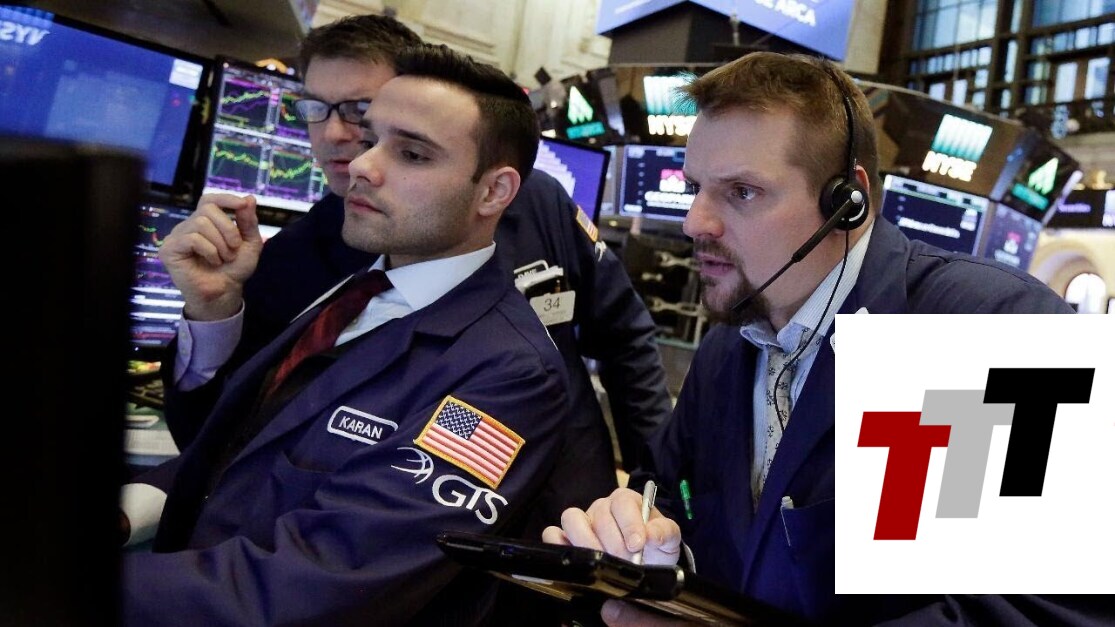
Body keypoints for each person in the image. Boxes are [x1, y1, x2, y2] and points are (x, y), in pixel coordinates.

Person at [542, 52, 1088, 626]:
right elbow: (667, 495)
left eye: (742, 192)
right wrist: (635, 532)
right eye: (695, 187)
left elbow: (1047, 610)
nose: (694, 222)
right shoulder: (727, 351)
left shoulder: (992, 327)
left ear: (846, 202)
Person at [162, 14, 672, 526]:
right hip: (382, 516)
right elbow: (219, 441)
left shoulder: (535, 202)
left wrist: (652, 491)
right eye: (316, 108)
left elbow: (624, 337)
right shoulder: (288, 257)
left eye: (359, 110)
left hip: (568, 513)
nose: (336, 135)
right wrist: (212, 313)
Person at [120, 44, 568, 625]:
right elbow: (252, 449)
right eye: (371, 138)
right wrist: (135, 507)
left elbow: (316, 585)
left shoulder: (508, 374)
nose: (361, 165)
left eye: (411, 154)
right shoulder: (359, 287)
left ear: (493, 192)